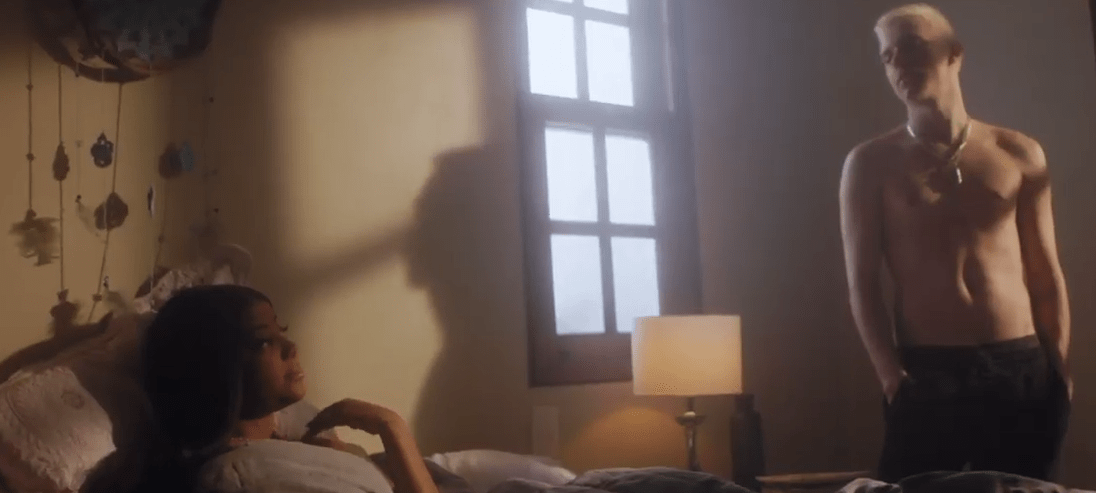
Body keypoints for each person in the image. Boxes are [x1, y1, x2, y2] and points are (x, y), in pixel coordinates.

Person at [839, 3, 1072, 483]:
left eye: (912, 48)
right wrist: (891, 377)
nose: (899, 65)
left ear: (954, 54)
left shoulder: (1018, 153)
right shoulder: (870, 164)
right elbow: (862, 283)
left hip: (1020, 365)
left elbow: (1045, 274)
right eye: (888, 56)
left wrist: (1060, 371)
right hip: (928, 372)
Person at [138, 284, 440, 493]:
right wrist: (391, 427)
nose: (291, 346)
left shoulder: (291, 431)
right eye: (264, 341)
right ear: (215, 369)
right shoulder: (245, 475)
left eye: (281, 330)